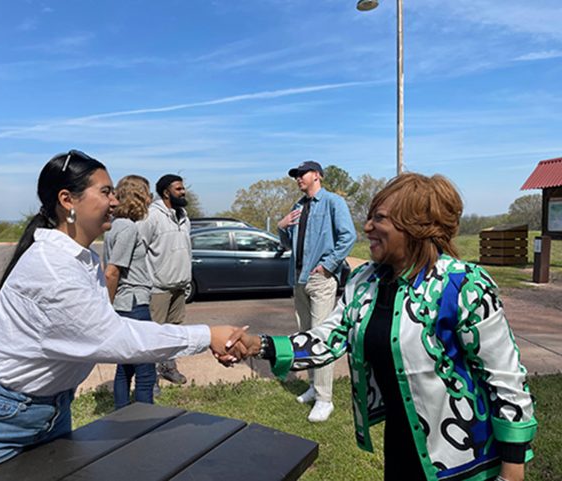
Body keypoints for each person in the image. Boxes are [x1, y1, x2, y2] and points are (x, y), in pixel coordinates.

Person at [0, 150, 239, 481]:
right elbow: (113, 337)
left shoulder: (82, 258)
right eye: (105, 191)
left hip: (50, 410)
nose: (115, 200)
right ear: (67, 200)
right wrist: (208, 335)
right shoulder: (52, 268)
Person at [226, 173, 537, 481]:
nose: (367, 227)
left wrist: (512, 471)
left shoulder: (464, 285)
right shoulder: (365, 280)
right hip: (401, 446)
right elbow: (329, 337)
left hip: (465, 460)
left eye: (380, 218)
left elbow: (506, 379)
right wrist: (259, 345)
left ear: (415, 227)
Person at [277, 160, 356, 422]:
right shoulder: (298, 206)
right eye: (296, 175)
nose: (298, 178)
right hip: (298, 279)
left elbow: (348, 236)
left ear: (317, 176)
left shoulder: (333, 202)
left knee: (321, 337)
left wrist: (328, 266)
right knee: (305, 335)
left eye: (303, 174)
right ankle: (313, 386)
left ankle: (325, 399)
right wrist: (281, 227)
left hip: (320, 280)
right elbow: (288, 245)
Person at [103, 175, 156, 408]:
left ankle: (121, 414)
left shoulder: (115, 225)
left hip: (126, 304)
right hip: (133, 305)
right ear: (137, 197)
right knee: (146, 373)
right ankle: (145, 421)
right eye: (147, 194)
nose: (150, 199)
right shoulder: (128, 228)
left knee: (125, 368)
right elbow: (112, 272)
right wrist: (105, 307)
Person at [139, 174, 192, 385]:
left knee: (174, 332)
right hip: (158, 288)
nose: (183, 191)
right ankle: (149, 379)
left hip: (180, 285)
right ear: (166, 192)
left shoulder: (184, 216)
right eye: (178, 189)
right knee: (153, 334)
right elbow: (140, 250)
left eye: (183, 188)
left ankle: (169, 368)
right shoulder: (151, 216)